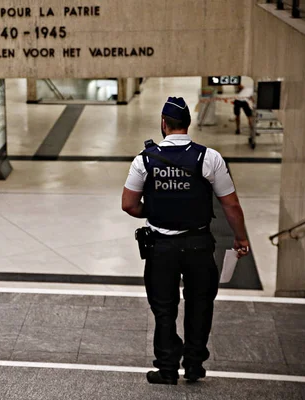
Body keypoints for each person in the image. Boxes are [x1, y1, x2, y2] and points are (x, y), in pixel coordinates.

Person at [121, 97, 250, 385]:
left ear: (164, 124)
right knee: (200, 304)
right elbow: (231, 205)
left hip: (161, 248)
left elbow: (129, 205)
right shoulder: (210, 157)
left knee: (164, 308)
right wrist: (240, 237)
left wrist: (153, 211)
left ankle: (167, 369)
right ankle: (194, 365)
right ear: (188, 124)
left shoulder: (145, 159)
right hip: (199, 245)